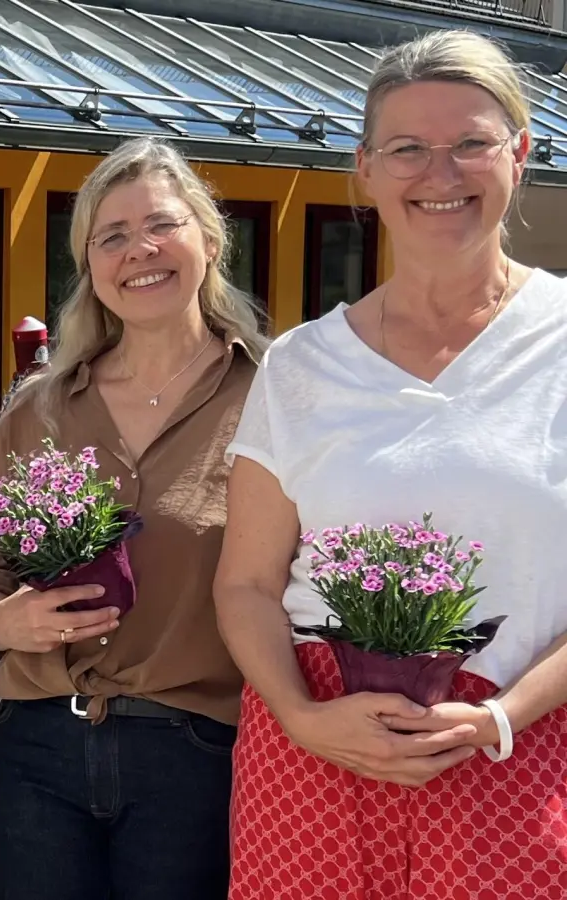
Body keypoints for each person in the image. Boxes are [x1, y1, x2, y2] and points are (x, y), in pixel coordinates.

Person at [215, 30, 567, 899]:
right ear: (366, 170)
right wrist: (301, 715)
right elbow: (247, 584)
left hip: (519, 755)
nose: (439, 174)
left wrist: (502, 716)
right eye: (407, 148)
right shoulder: (301, 366)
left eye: (471, 143)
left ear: (521, 154)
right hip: (317, 759)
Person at [0, 136, 268, 900]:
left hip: (197, 753)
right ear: (90, 264)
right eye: (112, 236)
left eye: (161, 225)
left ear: (210, 239)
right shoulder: (42, 408)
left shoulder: (270, 395)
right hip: (39, 747)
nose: (139, 251)